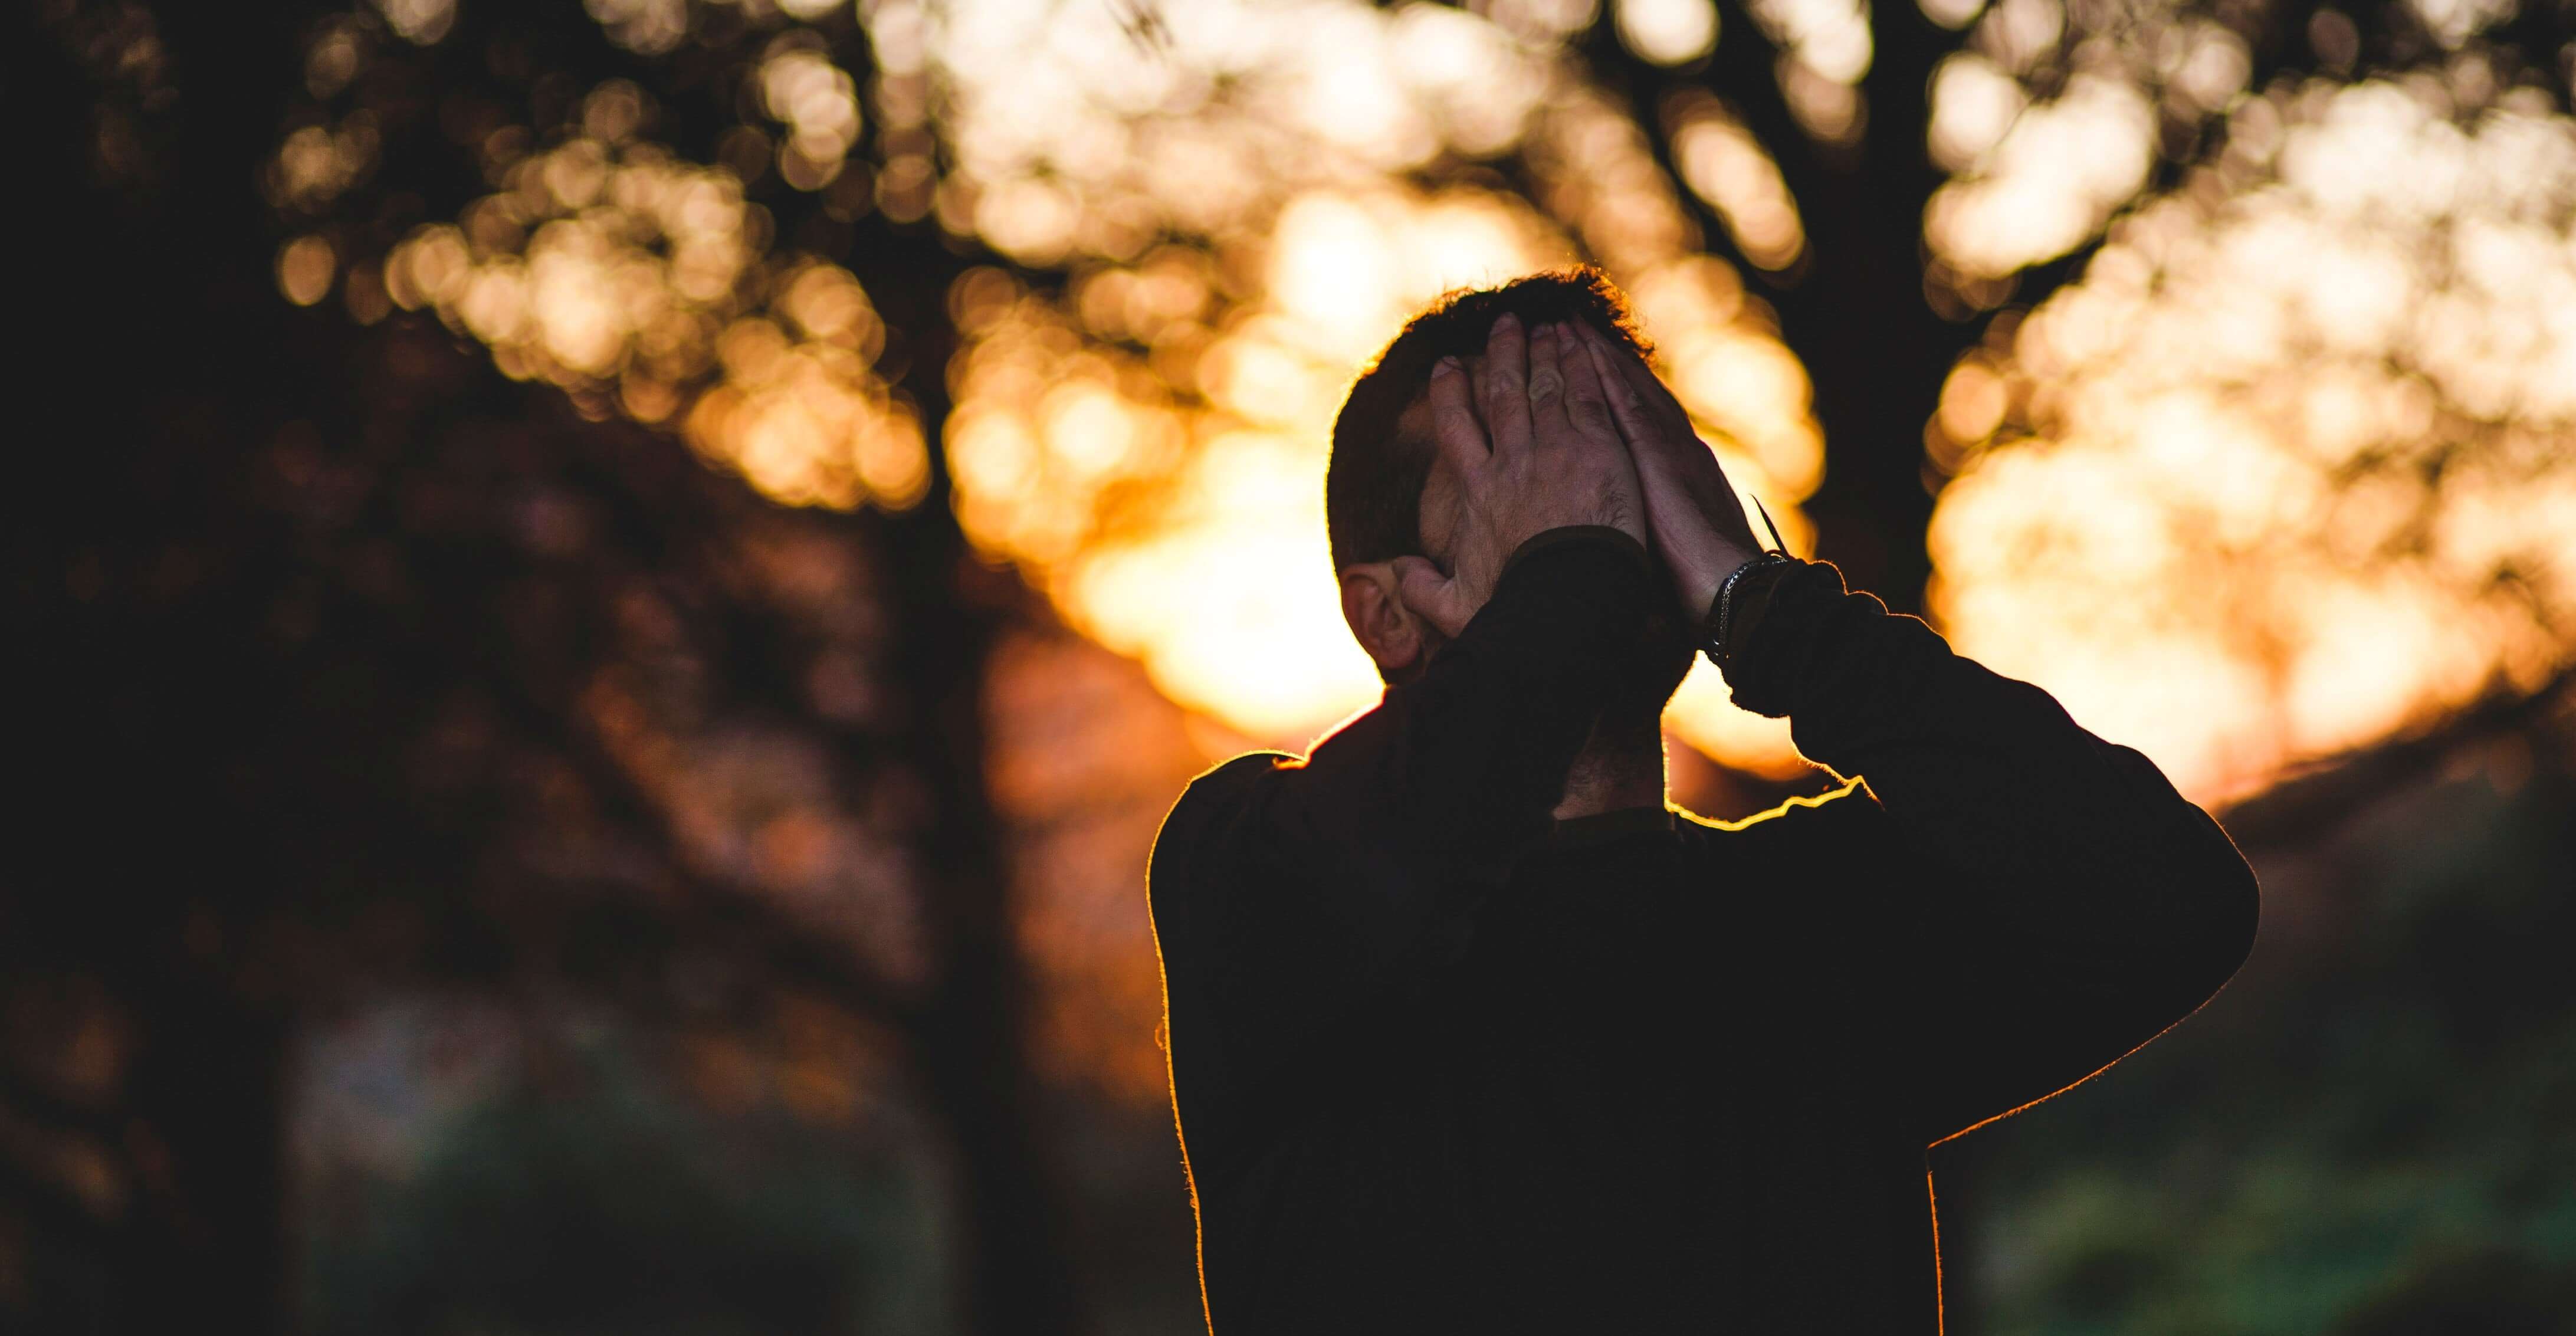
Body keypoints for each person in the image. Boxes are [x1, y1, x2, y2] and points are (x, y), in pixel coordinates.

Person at [1146, 269, 2259, 1332]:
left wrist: (1765, 607)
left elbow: (2174, 902)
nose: (1601, 506)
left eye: (1626, 456)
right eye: (1528, 465)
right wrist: (1569, 577)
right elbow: (1404, 859)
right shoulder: (1244, 873)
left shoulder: (1824, 916)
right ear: (1386, 614)